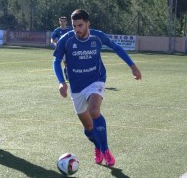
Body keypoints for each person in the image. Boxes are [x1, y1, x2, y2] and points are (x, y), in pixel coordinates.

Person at [53, 9, 142, 167]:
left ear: (88, 23)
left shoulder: (97, 36)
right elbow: (56, 61)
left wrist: (133, 66)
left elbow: (116, 48)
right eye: (74, 26)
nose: (77, 29)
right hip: (76, 87)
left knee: (94, 111)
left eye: (80, 25)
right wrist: (61, 82)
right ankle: (97, 146)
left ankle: (106, 150)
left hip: (96, 80)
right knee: (88, 128)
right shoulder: (66, 40)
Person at [51, 16, 73, 81]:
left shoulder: (70, 29)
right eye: (61, 21)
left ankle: (69, 76)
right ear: (59, 22)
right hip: (61, 50)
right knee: (65, 63)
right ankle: (67, 77)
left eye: (64, 21)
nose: (62, 23)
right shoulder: (57, 30)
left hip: (70, 49)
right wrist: (54, 43)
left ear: (66, 22)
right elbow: (52, 39)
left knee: (70, 63)